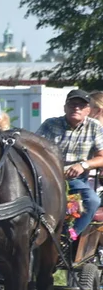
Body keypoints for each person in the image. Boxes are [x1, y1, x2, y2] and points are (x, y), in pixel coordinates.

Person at [36, 89, 103, 236]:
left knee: (92, 201)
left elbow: (101, 157)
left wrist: (83, 165)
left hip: (76, 180)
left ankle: (69, 237)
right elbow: (34, 149)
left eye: (81, 106)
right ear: (65, 107)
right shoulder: (50, 124)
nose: (76, 108)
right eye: (72, 104)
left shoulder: (94, 127)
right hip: (49, 178)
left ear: (88, 110)